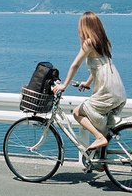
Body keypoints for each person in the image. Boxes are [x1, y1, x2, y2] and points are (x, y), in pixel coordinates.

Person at [52, 11, 126, 151]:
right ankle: (100, 163)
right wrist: (87, 83)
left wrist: (64, 85)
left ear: (85, 27)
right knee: (104, 126)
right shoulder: (104, 42)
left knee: (77, 113)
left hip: (107, 91)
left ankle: (99, 138)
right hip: (118, 90)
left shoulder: (89, 43)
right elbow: (99, 67)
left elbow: (75, 65)